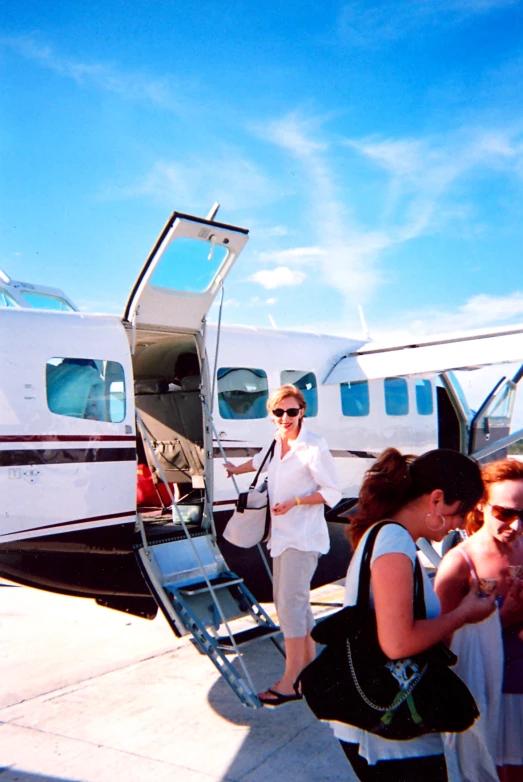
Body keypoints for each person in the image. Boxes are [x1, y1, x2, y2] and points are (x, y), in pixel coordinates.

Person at [333, 447, 496, 782]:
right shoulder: (394, 542)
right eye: (461, 511)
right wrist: (462, 613)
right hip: (390, 730)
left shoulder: (387, 535)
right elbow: (397, 643)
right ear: (436, 500)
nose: (463, 523)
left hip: (386, 719)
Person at [223, 384, 341, 707]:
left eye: (291, 411)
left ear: (302, 411)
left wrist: (296, 502)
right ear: (272, 415)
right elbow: (258, 461)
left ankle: (290, 680)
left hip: (302, 538)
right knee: (297, 605)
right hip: (281, 538)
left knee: (289, 605)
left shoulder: (313, 446)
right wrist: (235, 469)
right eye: (279, 412)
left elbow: (332, 492)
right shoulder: (277, 444)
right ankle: (310, 672)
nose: (285, 418)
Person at [435, 458, 523, 782]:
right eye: (505, 513)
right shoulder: (459, 564)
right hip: (490, 697)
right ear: (483, 504)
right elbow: (441, 644)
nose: (515, 525)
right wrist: (502, 619)